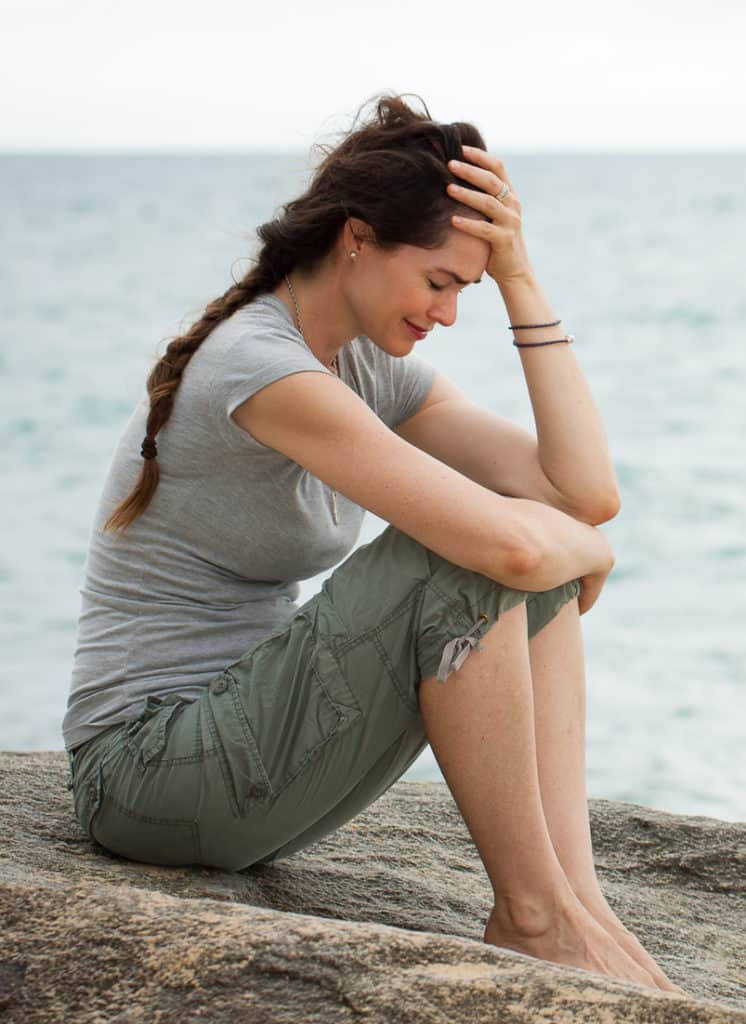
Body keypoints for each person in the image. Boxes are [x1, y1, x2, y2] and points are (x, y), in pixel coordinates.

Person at [62, 93, 683, 995]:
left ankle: (573, 902)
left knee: (520, 561)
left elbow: (583, 492)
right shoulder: (260, 367)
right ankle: (533, 915)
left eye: (466, 289)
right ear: (357, 238)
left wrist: (521, 277)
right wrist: (580, 549)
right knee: (462, 556)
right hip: (149, 775)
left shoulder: (367, 368)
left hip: (246, 762)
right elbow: (511, 549)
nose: (448, 313)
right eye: (440, 281)